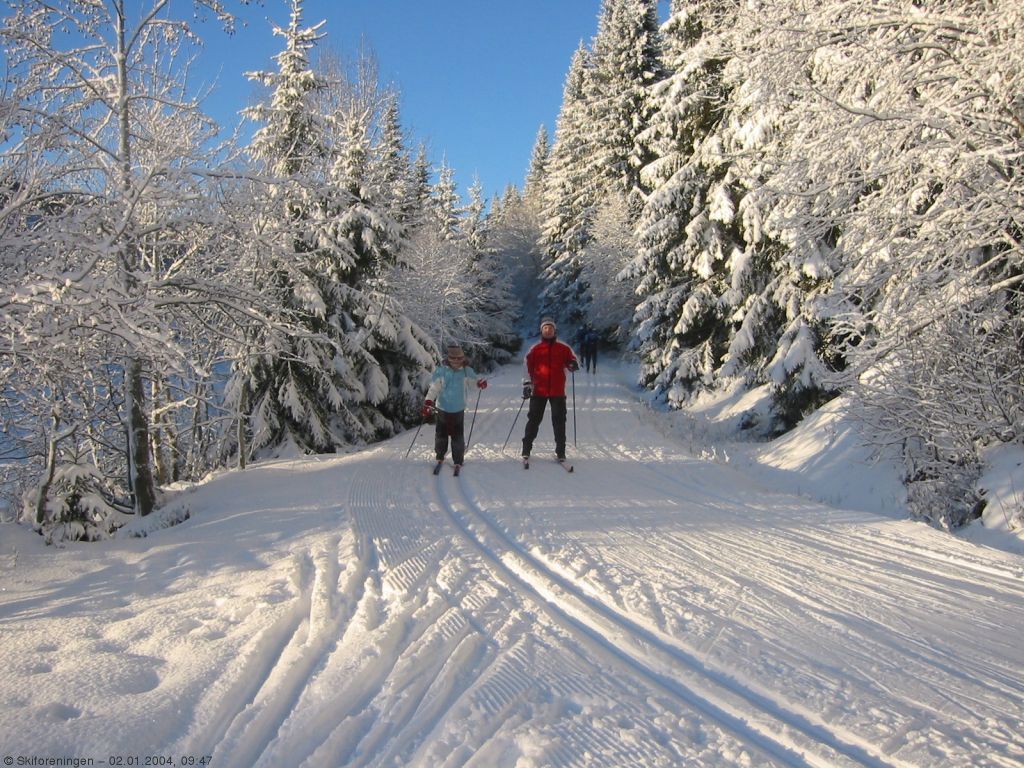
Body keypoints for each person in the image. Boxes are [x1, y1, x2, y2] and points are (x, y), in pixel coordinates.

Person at [521, 317, 579, 463]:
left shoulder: (564, 348)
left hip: (558, 391)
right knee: (533, 420)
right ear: (541, 331)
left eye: (550, 328)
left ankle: (561, 452)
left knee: (559, 421)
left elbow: (573, 360)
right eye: (545, 328)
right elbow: (526, 368)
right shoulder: (535, 349)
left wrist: (572, 364)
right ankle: (526, 449)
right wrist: (527, 385)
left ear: (554, 331)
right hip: (538, 391)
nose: (548, 331)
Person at [423, 343, 487, 473]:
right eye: (453, 359)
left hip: (458, 408)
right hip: (442, 408)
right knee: (441, 434)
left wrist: (479, 383)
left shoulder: (466, 371)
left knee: (457, 436)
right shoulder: (441, 371)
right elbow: (434, 388)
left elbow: (472, 384)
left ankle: (458, 459)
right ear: (449, 358)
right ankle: (440, 456)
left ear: (463, 358)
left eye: (459, 359)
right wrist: (428, 401)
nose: (456, 361)